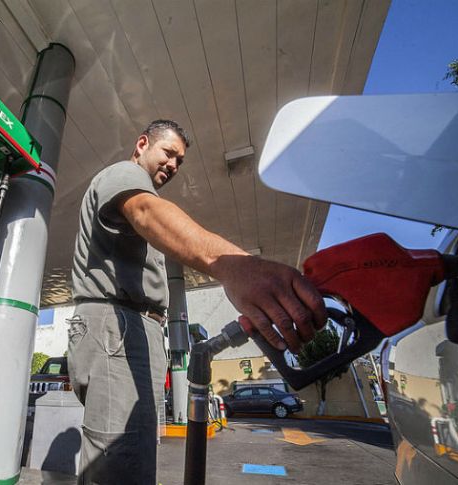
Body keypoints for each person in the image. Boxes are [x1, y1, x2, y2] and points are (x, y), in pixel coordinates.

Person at [67, 120, 327, 484]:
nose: (173, 165)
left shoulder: (139, 196)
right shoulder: (124, 174)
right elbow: (146, 210)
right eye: (168, 153)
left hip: (126, 328)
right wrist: (234, 266)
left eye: (180, 161)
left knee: (124, 458)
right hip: (116, 325)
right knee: (121, 464)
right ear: (142, 144)